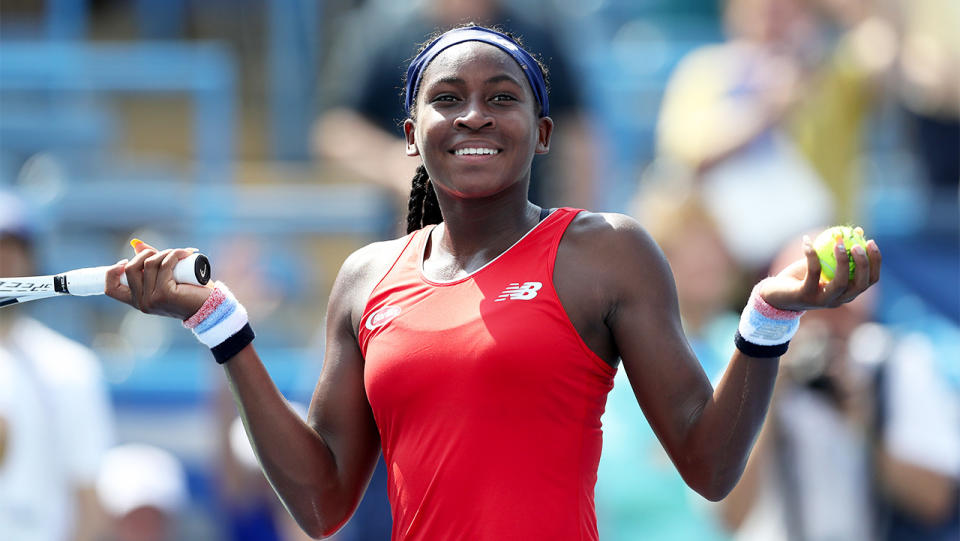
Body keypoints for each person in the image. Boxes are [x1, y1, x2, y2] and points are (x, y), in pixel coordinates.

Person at [104, 25, 882, 540]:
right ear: (411, 135)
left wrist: (767, 318)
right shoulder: (365, 277)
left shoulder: (606, 251)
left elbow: (710, 468)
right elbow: (321, 501)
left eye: (501, 97)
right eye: (447, 99)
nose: (474, 114)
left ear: (541, 132)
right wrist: (220, 323)